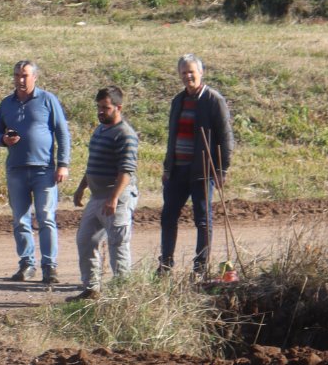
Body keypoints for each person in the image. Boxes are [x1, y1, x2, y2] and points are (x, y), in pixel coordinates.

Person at [0, 60, 71, 284]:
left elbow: (62, 133)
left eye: (25, 75)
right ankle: (26, 264)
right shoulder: (7, 103)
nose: (20, 79)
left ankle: (49, 266)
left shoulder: (47, 100)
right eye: (17, 75)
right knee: (20, 220)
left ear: (35, 77)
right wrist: (3, 139)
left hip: (44, 169)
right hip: (16, 169)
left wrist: (63, 164)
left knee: (46, 218)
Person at [158, 53, 235, 275]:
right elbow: (172, 137)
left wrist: (222, 169)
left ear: (201, 73)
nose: (187, 76)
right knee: (168, 217)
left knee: (203, 220)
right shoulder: (178, 100)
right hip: (177, 170)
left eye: (191, 72)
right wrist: (167, 167)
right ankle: (165, 263)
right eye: (183, 72)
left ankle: (200, 268)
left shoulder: (213, 100)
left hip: (202, 170)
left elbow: (226, 138)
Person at [70, 86, 139, 300]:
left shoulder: (125, 134)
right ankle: (92, 289)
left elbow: (126, 171)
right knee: (85, 239)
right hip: (97, 196)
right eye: (99, 107)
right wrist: (82, 187)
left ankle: (123, 294)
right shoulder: (100, 130)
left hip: (116, 198)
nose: (100, 111)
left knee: (118, 244)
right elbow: (92, 164)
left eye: (105, 108)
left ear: (118, 107)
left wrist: (114, 198)